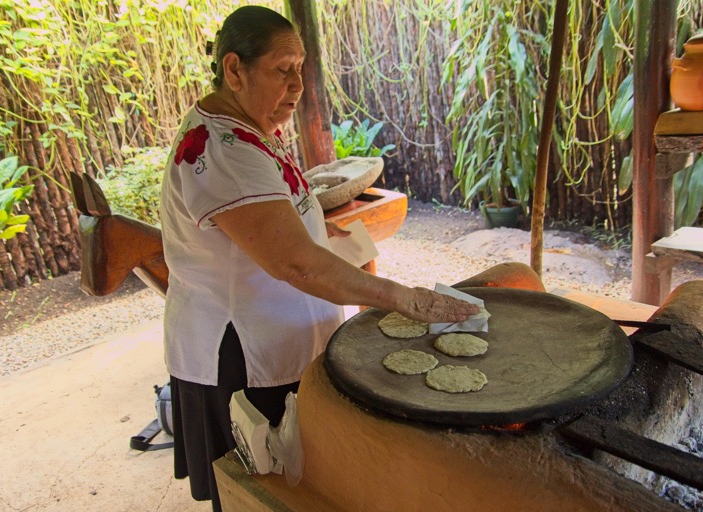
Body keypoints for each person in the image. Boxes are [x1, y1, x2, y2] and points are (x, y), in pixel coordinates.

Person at [159, 6, 480, 511]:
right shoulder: (224, 150)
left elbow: (276, 224)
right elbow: (297, 264)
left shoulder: (245, 123)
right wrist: (401, 298)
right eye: (281, 69)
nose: (296, 85)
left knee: (290, 487)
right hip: (245, 357)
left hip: (276, 338)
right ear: (234, 69)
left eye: (301, 69)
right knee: (258, 493)